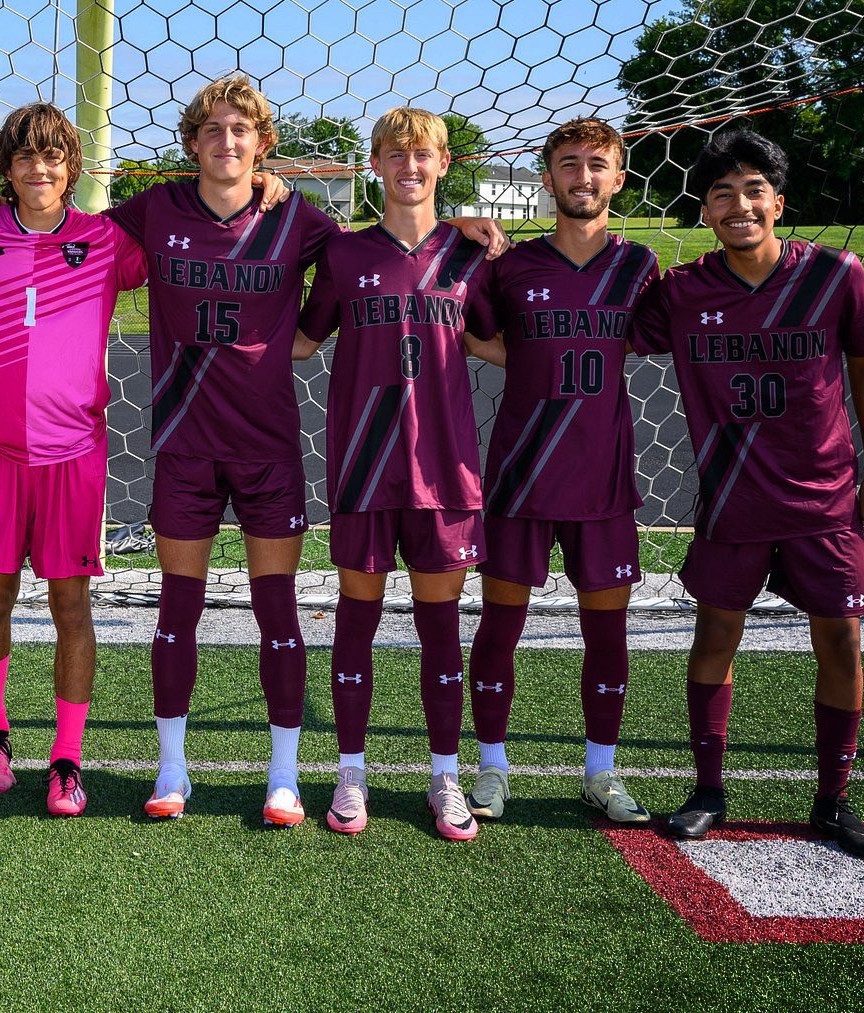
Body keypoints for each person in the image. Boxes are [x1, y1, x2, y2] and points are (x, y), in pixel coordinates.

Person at [631, 128, 864, 859]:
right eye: (722, 194)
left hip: (825, 496)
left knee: (840, 639)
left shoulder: (835, 273)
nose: (739, 205)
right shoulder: (683, 290)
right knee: (715, 635)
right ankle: (708, 790)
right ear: (705, 212)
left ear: (779, 202)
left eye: (754, 191)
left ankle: (832, 800)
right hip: (732, 499)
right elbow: (601, 330)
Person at [104, 76, 340, 826]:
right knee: (178, 607)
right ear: (192, 143)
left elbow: (373, 257)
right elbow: (66, 234)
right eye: (212, 129)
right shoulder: (158, 208)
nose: (226, 142)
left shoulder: (296, 217)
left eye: (241, 130)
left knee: (279, 612)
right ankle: (172, 767)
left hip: (268, 447)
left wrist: (459, 225)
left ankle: (284, 776)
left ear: (263, 143)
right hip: (185, 445)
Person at [295, 107, 500, 840]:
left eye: (423, 154)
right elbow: (300, 340)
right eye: (395, 154)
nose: (409, 166)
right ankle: (351, 771)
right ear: (376, 164)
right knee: (357, 618)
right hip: (364, 467)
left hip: (445, 472)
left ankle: (445, 774)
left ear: (444, 164)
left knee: (440, 628)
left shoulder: (472, 256)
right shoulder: (345, 253)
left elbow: (498, 344)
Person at [0, 102, 147, 816]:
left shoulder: (105, 240)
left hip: (74, 455)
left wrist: (267, 186)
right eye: (25, 156)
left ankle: (66, 758)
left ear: (73, 166)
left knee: (71, 606)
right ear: (5, 166)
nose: (39, 168)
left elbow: (188, 235)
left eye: (53, 155)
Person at [464, 116, 660, 825]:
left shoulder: (639, 266)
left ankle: (601, 771)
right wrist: (458, 223)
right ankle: (492, 766)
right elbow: (475, 335)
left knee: (606, 634)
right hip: (520, 474)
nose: (583, 176)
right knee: (499, 626)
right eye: (569, 163)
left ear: (618, 178)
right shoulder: (510, 266)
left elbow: (638, 339)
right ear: (547, 180)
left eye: (596, 164)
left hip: (602, 479)